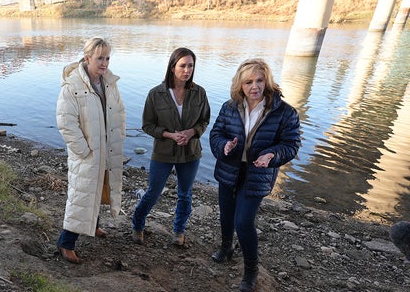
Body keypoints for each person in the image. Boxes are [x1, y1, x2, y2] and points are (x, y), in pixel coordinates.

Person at [209, 58, 301, 292]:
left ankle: (251, 271)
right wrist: (224, 147)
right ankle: (227, 248)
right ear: (240, 85)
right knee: (226, 216)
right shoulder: (230, 106)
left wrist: (271, 155)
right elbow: (216, 133)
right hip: (229, 169)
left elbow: (291, 145)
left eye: (259, 80)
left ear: (267, 81)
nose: (255, 86)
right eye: (248, 81)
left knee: (243, 221)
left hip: (257, 174)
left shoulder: (285, 112)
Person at [55, 37, 126, 264]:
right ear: (87, 59)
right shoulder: (73, 86)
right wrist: (84, 151)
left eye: (107, 58)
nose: (104, 63)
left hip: (106, 150)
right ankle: (66, 243)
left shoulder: (109, 82)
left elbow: (120, 113)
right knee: (81, 196)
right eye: (99, 58)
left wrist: (118, 138)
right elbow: (66, 123)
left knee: (101, 188)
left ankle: (94, 226)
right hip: (87, 154)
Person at [131, 47, 210, 246]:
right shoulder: (155, 94)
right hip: (163, 153)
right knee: (153, 192)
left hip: (191, 153)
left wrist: (191, 133)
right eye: (182, 65)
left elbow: (204, 120)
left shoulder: (199, 93)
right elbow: (147, 125)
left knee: (185, 195)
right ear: (172, 67)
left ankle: (179, 231)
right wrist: (169, 135)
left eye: (191, 65)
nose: (187, 70)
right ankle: (138, 225)